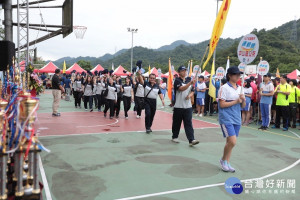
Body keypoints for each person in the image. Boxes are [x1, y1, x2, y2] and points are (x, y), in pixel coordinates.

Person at [218, 66, 246, 172]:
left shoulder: (240, 88)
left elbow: (243, 106)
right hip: (226, 118)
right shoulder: (224, 88)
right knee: (233, 142)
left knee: (229, 142)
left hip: (236, 118)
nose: (238, 76)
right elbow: (222, 104)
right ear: (229, 75)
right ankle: (223, 160)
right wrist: (236, 101)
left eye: (239, 74)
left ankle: (227, 162)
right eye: (236, 74)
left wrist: (243, 100)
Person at [171, 66, 200, 146]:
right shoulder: (177, 80)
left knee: (188, 123)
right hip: (178, 106)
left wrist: (190, 96)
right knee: (177, 123)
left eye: (185, 70)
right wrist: (190, 83)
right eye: (182, 71)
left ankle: (191, 139)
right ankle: (175, 136)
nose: (184, 72)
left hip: (188, 107)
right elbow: (181, 88)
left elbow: (192, 91)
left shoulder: (188, 80)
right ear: (179, 72)